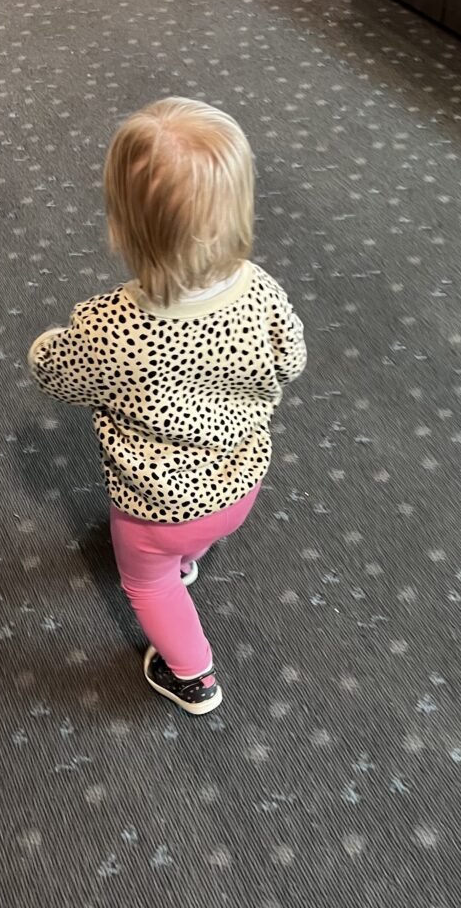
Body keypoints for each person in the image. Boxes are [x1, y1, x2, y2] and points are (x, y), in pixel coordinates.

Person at [29, 97, 306, 715]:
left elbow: (61, 378)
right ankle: (188, 563)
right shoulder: (260, 288)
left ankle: (193, 675)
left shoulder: (113, 326)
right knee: (185, 549)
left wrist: (43, 349)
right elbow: (292, 360)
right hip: (241, 480)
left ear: (125, 227)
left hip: (157, 507)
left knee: (145, 582)